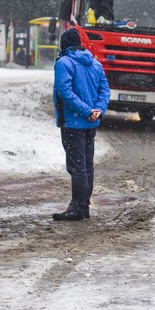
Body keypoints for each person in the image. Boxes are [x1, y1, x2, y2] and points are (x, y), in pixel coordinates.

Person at [52, 28, 110, 221]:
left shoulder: (64, 63)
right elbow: (105, 91)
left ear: (64, 44)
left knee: (77, 166)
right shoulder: (95, 64)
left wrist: (86, 111)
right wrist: (97, 110)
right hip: (90, 124)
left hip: (72, 122)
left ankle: (77, 207)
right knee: (87, 165)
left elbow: (65, 93)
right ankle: (84, 206)